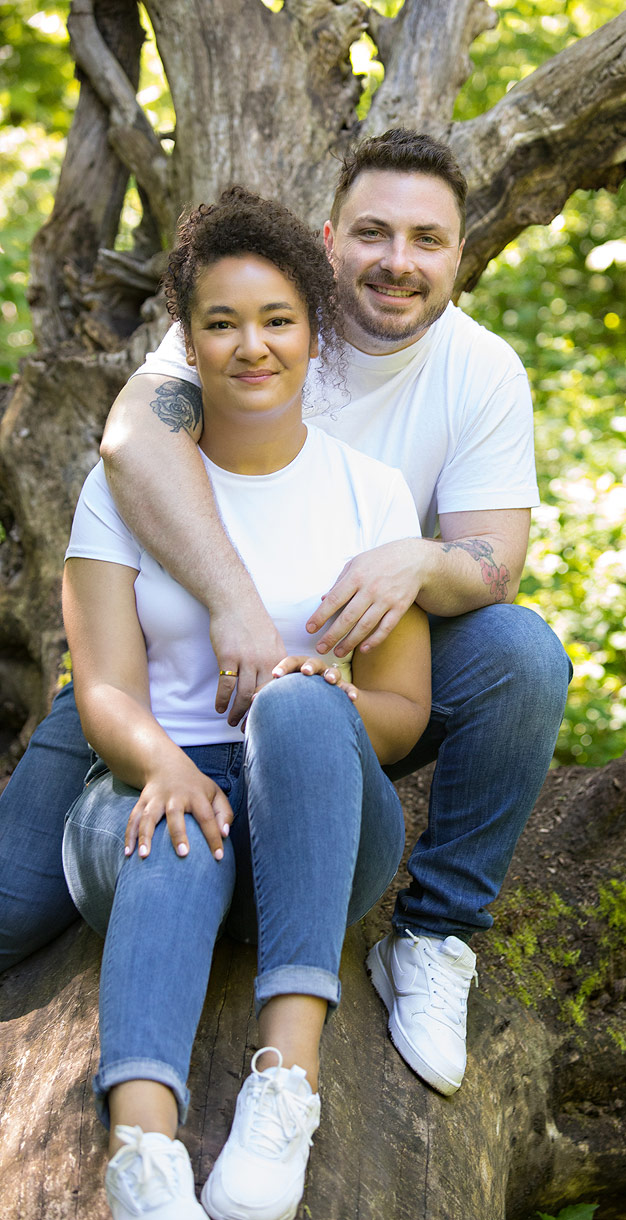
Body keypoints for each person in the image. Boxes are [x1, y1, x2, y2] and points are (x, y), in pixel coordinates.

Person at [0, 128, 571, 1096]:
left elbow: (495, 564)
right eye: (374, 233)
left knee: (522, 650)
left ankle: (434, 933)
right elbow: (131, 445)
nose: (399, 261)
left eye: (428, 239)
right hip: (171, 680)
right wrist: (234, 604)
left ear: (461, 252)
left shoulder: (479, 371)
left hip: (344, 669)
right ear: (330, 237)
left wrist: (418, 556)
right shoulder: (242, 322)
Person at [61, 186, 432, 1220]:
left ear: (316, 336)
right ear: (188, 341)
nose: (251, 346)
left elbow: (402, 707)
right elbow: (101, 685)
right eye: (221, 323)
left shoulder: (371, 493)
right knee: (179, 824)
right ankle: (143, 1153)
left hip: (311, 826)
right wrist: (164, 763)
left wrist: (328, 700)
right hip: (152, 779)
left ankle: (287, 1083)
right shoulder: (127, 491)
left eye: (276, 321)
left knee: (300, 707)